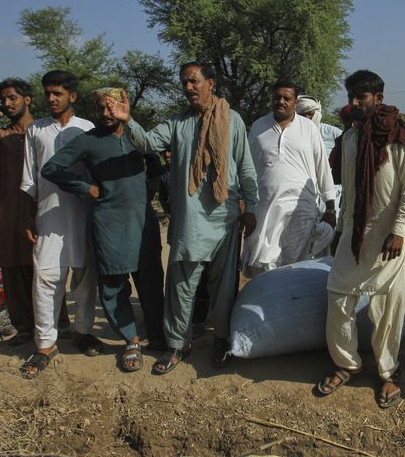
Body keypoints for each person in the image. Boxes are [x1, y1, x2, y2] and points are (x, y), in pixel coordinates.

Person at [106, 61, 258, 373]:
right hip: (190, 218)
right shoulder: (177, 123)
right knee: (181, 285)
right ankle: (178, 344)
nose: (188, 87)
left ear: (211, 83)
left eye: (193, 81)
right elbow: (148, 143)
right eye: (184, 82)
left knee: (224, 286)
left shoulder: (233, 119)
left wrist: (252, 206)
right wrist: (127, 120)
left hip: (225, 217)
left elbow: (245, 166)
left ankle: (222, 339)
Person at [41, 88, 166, 372]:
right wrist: (86, 188)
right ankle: (131, 340)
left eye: (112, 107)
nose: (107, 113)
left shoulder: (137, 137)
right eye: (101, 108)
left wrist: (148, 190)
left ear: (124, 107)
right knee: (113, 284)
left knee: (150, 280)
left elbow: (155, 163)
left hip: (143, 221)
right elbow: (51, 168)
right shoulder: (88, 140)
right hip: (108, 222)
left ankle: (157, 335)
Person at [316, 70, 405, 409]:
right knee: (338, 295)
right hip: (355, 234)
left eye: (362, 96)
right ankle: (348, 364)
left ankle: (388, 372)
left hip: (390, 237)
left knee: (388, 307)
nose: (355, 102)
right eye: (351, 97)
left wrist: (399, 231)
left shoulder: (397, 134)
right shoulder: (348, 138)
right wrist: (341, 231)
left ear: (378, 97)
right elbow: (349, 193)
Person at [0, 78, 71, 346]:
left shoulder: (45, 130)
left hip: (43, 208)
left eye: (13, 97)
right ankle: (24, 328)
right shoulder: (2, 135)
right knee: (13, 268)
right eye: (4, 99)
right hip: (10, 212)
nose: (8, 103)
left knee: (45, 268)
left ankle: (59, 324)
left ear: (27, 99)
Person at [19, 70, 100, 378]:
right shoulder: (35, 130)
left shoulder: (88, 129)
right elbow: (29, 178)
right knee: (45, 278)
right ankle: (45, 344)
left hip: (83, 215)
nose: (51, 99)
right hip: (47, 215)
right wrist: (30, 217)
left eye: (58, 93)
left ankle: (83, 332)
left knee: (84, 278)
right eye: (48, 93)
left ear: (72, 96)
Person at [242, 81, 336, 275]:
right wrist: (246, 205)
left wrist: (330, 207)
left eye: (287, 98)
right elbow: (247, 168)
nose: (281, 101)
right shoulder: (259, 127)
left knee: (295, 263)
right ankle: (268, 294)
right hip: (265, 208)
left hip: (301, 209)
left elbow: (323, 167)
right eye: (277, 97)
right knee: (264, 260)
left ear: (295, 102)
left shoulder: (309, 128)